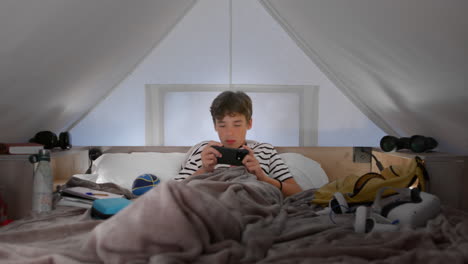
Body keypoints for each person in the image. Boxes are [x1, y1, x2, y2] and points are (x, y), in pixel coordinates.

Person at [177, 91, 302, 197]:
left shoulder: (265, 150)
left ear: (249, 124)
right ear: (215, 126)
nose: (229, 133)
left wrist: (263, 178)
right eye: (222, 125)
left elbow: (298, 193)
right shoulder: (204, 150)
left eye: (237, 125)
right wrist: (204, 170)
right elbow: (173, 190)